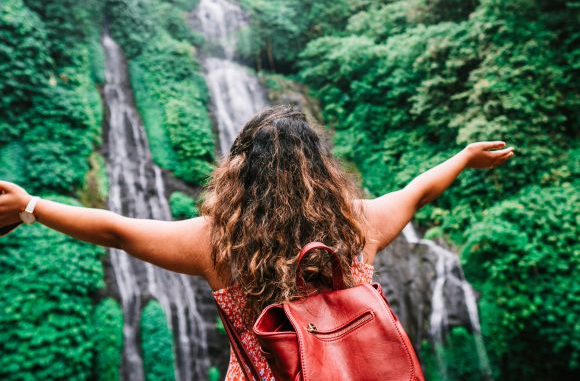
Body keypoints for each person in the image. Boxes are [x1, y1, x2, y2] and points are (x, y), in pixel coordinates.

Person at [0, 105, 514, 380]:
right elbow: (418, 190)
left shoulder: (217, 244)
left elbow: (116, 229)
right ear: (321, 169)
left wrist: (29, 207)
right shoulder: (359, 224)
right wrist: (465, 157)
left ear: (240, 171)